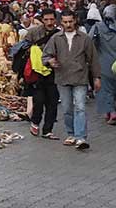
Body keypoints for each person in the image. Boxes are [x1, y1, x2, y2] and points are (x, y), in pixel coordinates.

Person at [43, 10, 100, 150]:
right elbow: (45, 55)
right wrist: (50, 61)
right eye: (65, 22)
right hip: (62, 77)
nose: (68, 24)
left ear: (75, 21)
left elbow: (93, 59)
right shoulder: (56, 38)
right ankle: (71, 134)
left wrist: (97, 77)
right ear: (61, 22)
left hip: (80, 77)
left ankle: (81, 137)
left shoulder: (84, 38)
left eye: (70, 21)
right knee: (67, 108)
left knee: (80, 107)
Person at [90, 4, 116, 126]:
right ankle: (108, 110)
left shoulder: (97, 27)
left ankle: (112, 112)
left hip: (103, 62)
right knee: (114, 89)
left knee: (106, 89)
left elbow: (90, 43)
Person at [25, 24, 59, 139]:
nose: (49, 22)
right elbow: (24, 46)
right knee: (39, 100)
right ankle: (35, 121)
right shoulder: (33, 32)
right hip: (37, 73)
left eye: (51, 19)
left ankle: (47, 130)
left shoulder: (59, 34)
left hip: (54, 72)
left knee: (52, 102)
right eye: (46, 19)